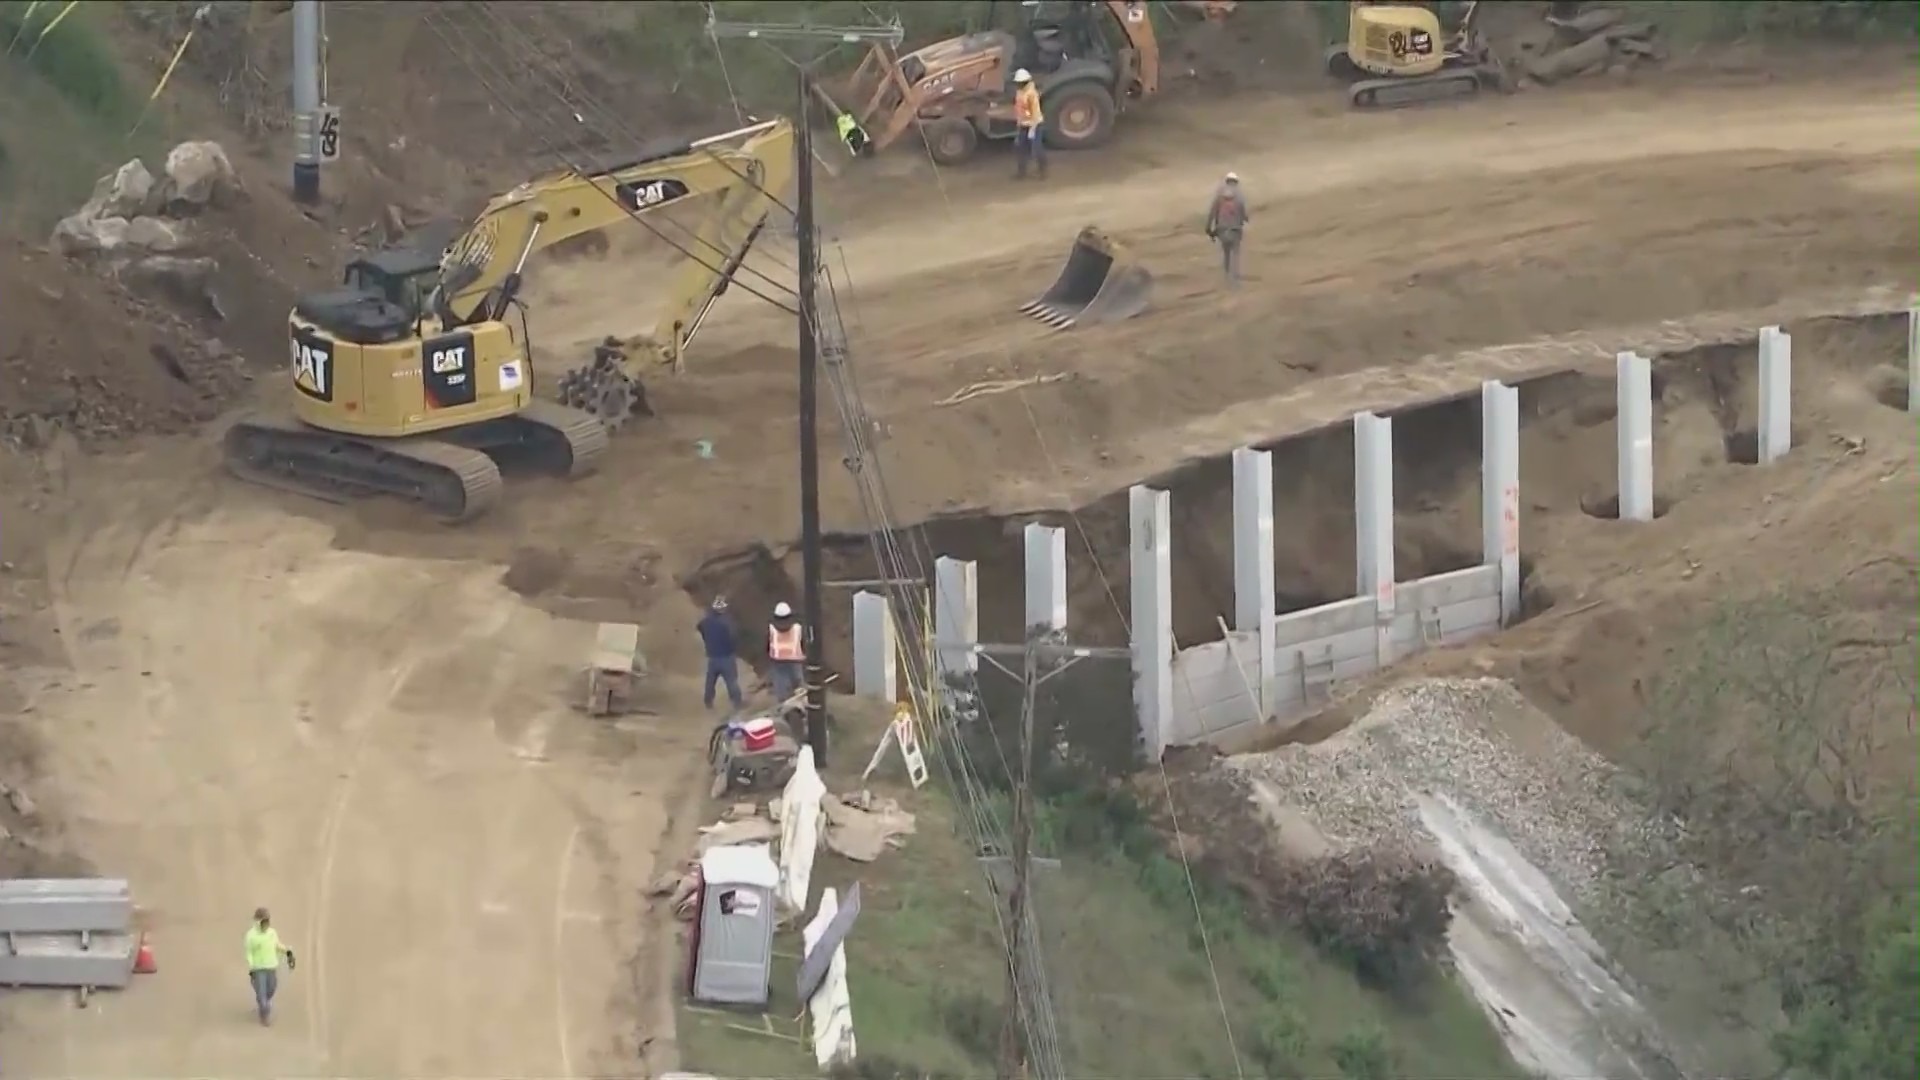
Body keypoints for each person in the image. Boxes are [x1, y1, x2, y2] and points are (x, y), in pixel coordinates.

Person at [245, 907, 294, 1026]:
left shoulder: (272, 933)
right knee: (262, 994)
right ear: (258, 921)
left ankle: (263, 1003)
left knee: (271, 989)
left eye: (267, 920)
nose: (266, 923)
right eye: (264, 921)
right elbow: (249, 952)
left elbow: (277, 945)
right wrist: (252, 967)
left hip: (271, 967)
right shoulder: (251, 935)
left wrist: (287, 951)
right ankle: (264, 1015)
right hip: (258, 968)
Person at [697, 596, 744, 711]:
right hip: (727, 656)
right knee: (732, 681)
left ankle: (708, 702)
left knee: (710, 682)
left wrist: (707, 639)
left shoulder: (706, 622)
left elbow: (699, 627)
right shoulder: (727, 622)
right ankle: (737, 703)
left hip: (712, 657)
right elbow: (734, 637)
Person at [1204, 171, 1251, 287]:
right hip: (1235, 229)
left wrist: (1209, 228)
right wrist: (1245, 219)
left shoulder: (1219, 196)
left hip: (1222, 229)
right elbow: (1244, 214)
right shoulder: (1239, 196)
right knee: (1235, 254)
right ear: (1235, 182)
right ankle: (1234, 280)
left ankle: (1226, 277)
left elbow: (1213, 212)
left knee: (1226, 254)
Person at [1011, 69, 1047, 180]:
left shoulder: (1032, 94)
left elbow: (1035, 113)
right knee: (1021, 148)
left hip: (1034, 124)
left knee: (1036, 148)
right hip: (1023, 124)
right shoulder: (1019, 92)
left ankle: (1043, 171)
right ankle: (1021, 172)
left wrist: (1032, 129)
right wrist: (1019, 125)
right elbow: (1019, 109)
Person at [767, 601, 805, 703]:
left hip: (777, 661)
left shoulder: (771, 628)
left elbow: (766, 645)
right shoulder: (798, 628)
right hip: (795, 661)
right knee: (799, 688)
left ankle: (784, 707)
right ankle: (801, 708)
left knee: (781, 688)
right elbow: (803, 643)